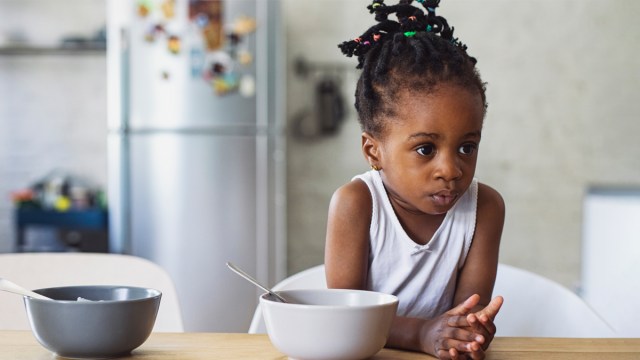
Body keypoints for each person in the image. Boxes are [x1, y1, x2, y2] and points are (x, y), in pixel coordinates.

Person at [324, 1, 505, 359]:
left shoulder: (485, 208)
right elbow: (345, 317)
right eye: (425, 149)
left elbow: (463, 317)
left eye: (467, 147)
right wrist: (421, 332)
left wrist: (468, 333)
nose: (451, 170)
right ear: (373, 151)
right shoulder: (356, 204)